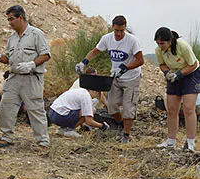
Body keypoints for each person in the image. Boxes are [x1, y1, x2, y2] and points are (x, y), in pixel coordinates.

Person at [75, 15, 144, 143]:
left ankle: (126, 135)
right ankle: (121, 125)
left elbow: (140, 60)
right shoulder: (107, 38)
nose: (118, 34)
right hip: (115, 77)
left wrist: (125, 68)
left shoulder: (132, 41)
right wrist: (83, 62)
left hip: (131, 78)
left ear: (125, 29)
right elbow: (95, 51)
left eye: (121, 31)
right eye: (116, 30)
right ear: (112, 27)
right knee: (111, 106)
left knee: (128, 109)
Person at [0, 5, 50, 148]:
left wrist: (31, 64)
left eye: (11, 19)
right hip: (14, 77)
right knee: (6, 106)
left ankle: (42, 141)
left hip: (31, 78)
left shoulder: (36, 34)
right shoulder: (12, 38)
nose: (9, 23)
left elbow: (46, 55)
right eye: (8, 20)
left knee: (35, 109)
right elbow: (8, 59)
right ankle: (6, 137)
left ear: (21, 18)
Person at [154, 27, 200, 152]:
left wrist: (179, 74)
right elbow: (162, 64)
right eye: (157, 43)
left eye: (162, 43)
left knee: (188, 108)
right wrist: (167, 72)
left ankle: (190, 142)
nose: (160, 46)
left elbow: (193, 64)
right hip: (173, 75)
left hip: (191, 74)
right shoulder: (159, 50)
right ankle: (171, 141)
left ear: (170, 41)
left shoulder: (182, 46)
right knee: (171, 109)